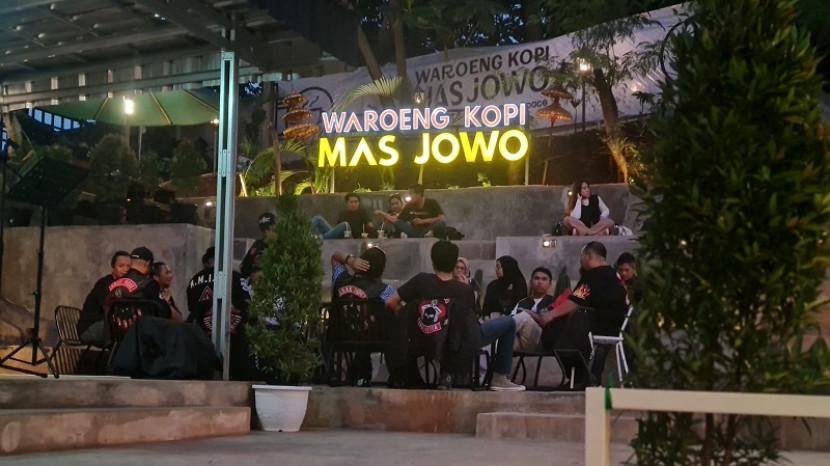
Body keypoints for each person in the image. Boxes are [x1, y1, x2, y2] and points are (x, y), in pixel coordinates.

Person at [386, 241, 525, 391]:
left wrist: (412, 322)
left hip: (423, 338)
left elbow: (391, 302)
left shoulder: (421, 281)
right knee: (509, 323)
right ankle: (498, 378)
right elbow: (469, 323)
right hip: (457, 343)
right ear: (454, 263)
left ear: (433, 261)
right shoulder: (464, 290)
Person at [527, 242, 628, 386]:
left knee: (555, 329)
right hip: (616, 327)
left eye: (581, 257)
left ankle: (579, 377)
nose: (580, 261)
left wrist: (548, 316)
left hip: (595, 326)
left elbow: (576, 301)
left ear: (588, 256)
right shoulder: (614, 275)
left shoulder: (593, 275)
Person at [329, 247, 395, 386]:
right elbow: (399, 308)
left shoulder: (340, 280)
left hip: (341, 335)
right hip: (371, 338)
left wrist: (350, 260)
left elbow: (335, 257)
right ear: (381, 269)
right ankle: (398, 374)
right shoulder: (385, 290)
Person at [186, 246, 253, 379]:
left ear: (207, 261)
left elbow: (191, 308)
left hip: (203, 339)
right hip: (233, 340)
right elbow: (247, 303)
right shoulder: (234, 276)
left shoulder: (194, 280)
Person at [106, 246, 172, 330]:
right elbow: (165, 314)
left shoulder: (114, 283)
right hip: (142, 334)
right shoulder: (149, 284)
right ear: (147, 263)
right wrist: (166, 302)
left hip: (116, 334)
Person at [78, 250, 132, 345]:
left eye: (128, 266)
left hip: (106, 325)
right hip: (90, 328)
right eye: (121, 266)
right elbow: (109, 308)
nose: (125, 269)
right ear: (113, 267)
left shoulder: (126, 285)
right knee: (125, 331)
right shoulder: (104, 284)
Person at [511, 267, 557, 353]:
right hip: (521, 340)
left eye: (544, 279)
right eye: (536, 278)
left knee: (525, 316)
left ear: (550, 284)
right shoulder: (522, 302)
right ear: (531, 282)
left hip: (541, 342)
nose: (539, 282)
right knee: (504, 341)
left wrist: (529, 313)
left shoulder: (554, 302)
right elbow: (512, 318)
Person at [311, 192, 376, 239]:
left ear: (359, 203)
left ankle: (320, 238)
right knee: (318, 219)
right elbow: (337, 230)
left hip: (352, 238)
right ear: (347, 203)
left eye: (356, 202)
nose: (354, 204)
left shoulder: (362, 212)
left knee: (345, 225)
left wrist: (367, 235)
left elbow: (371, 227)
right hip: (340, 237)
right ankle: (305, 235)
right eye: (351, 202)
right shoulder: (343, 214)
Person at [241, 212, 276, 278]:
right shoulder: (258, 244)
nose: (266, 233)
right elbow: (244, 267)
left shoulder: (282, 246)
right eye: (263, 230)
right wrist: (253, 273)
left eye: (268, 229)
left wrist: (265, 273)